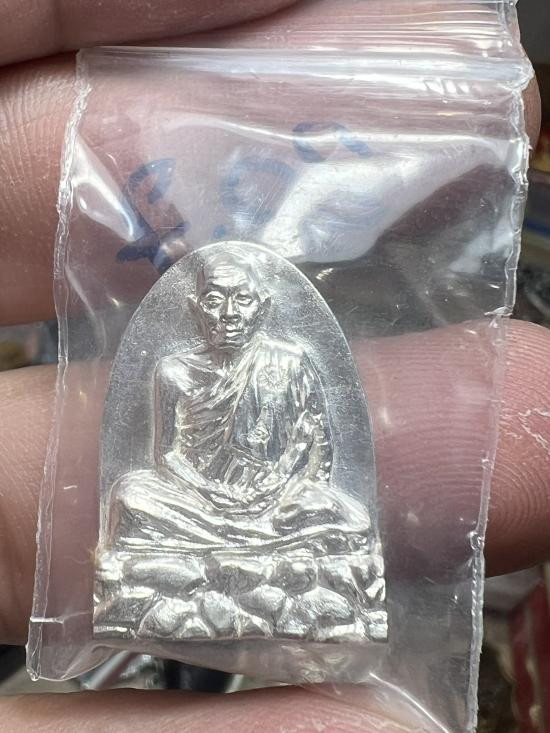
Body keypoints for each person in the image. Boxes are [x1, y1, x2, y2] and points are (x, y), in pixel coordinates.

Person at [0, 1, 548, 730]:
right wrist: (218, 501)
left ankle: (262, 571)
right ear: (198, 310)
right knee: (132, 494)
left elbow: (316, 454)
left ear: (259, 310)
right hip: (197, 505)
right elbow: (168, 460)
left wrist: (269, 498)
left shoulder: (290, 362)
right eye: (215, 301)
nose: (228, 313)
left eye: (241, 303)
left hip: (281, 506)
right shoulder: (175, 370)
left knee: (343, 512)